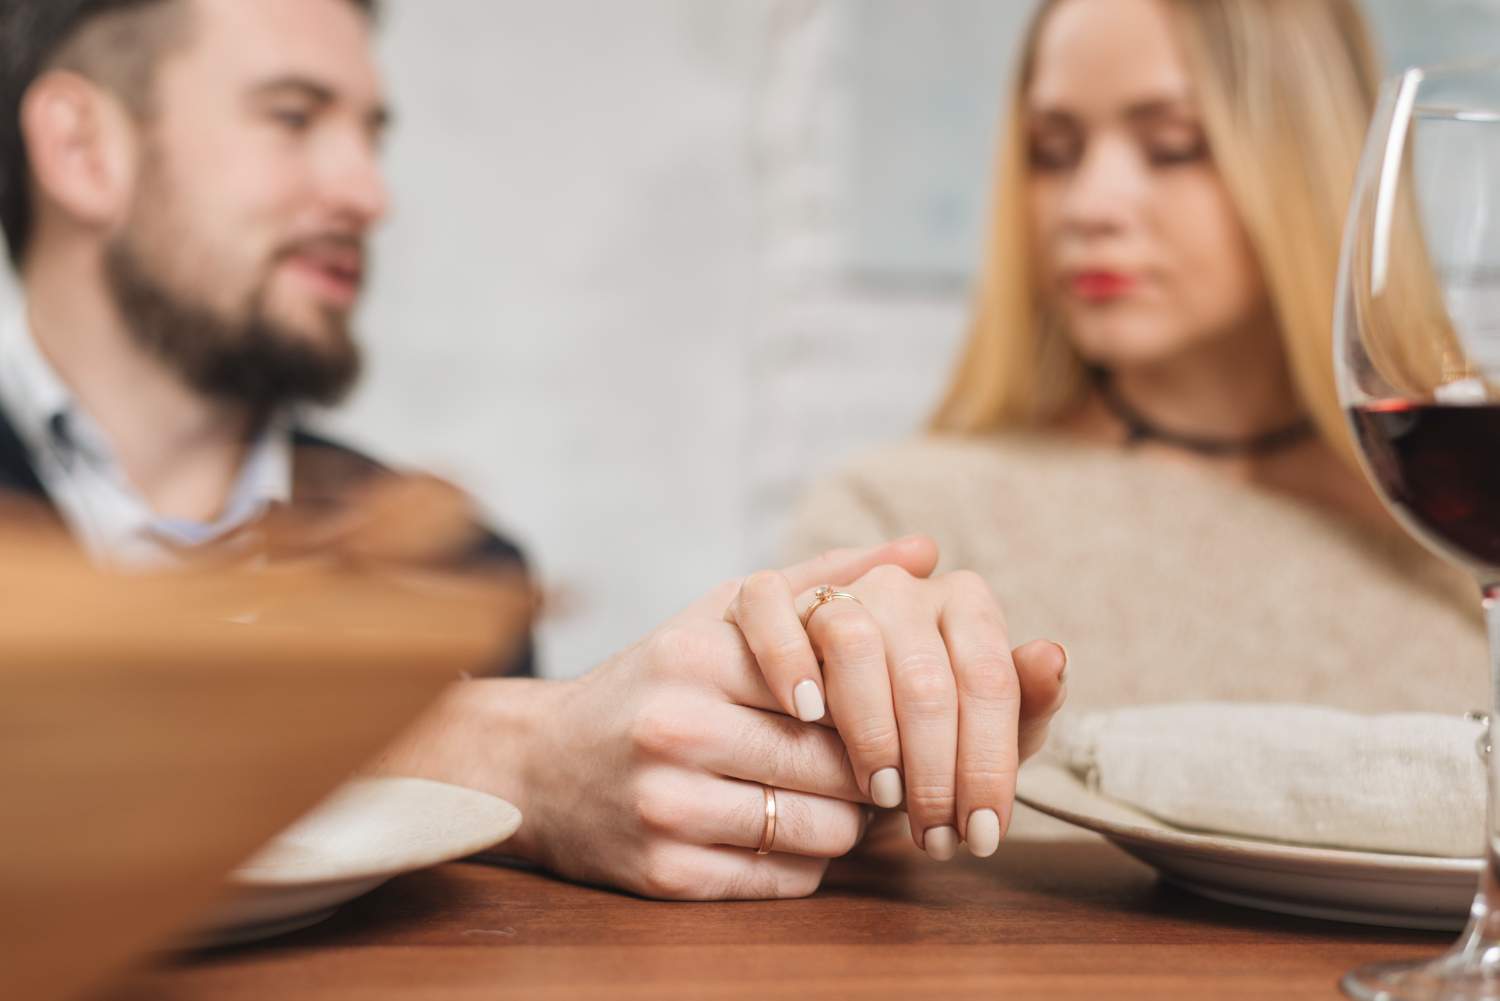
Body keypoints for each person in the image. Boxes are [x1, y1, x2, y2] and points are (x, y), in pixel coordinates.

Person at [0, 0, 1067, 899]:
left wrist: (810, 765)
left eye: (370, 135)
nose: (367, 193)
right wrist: (489, 748)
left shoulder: (459, 564)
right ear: (84, 147)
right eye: (292, 118)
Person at [789, 0, 1487, 719]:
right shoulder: (904, 527)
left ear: (1310, 163)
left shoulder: (1461, 529)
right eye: (1053, 151)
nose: (1090, 205)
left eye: (1172, 145)